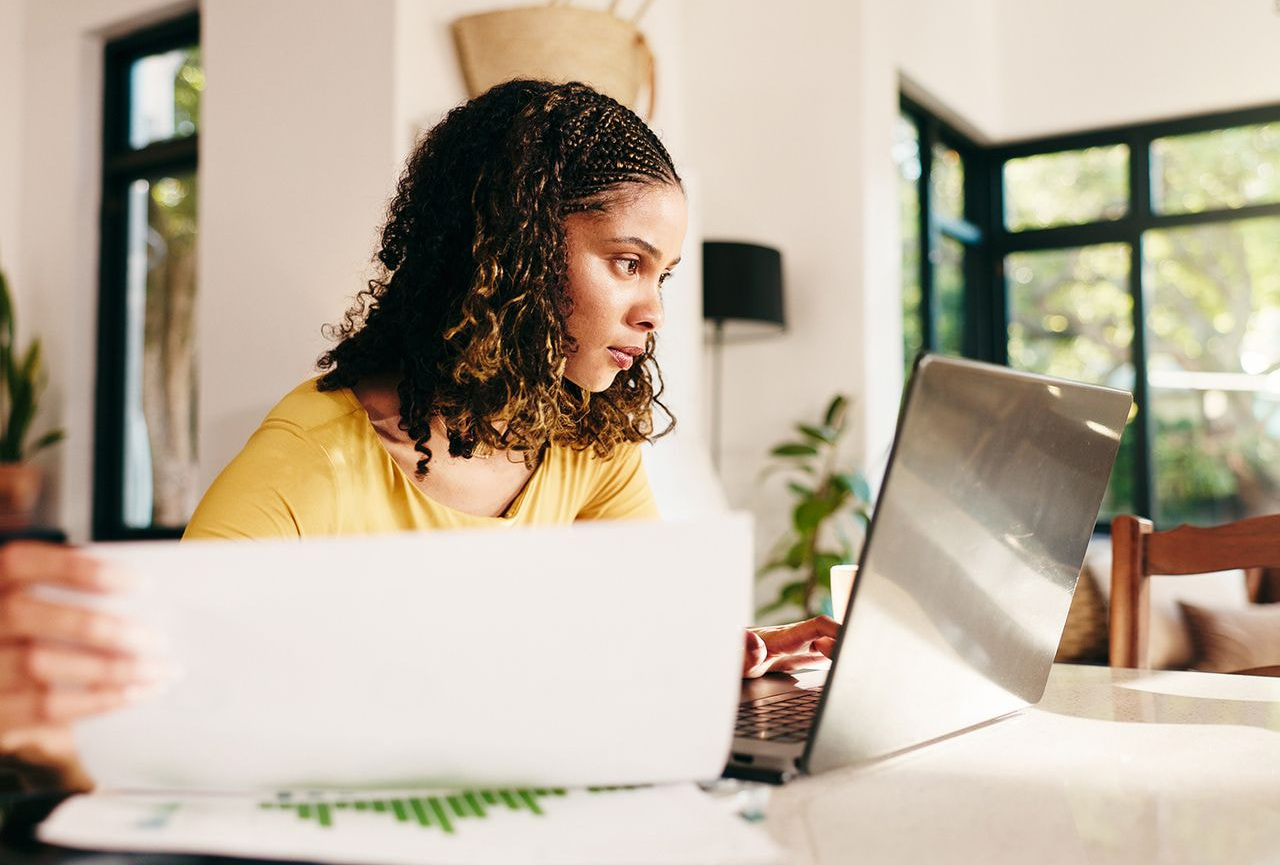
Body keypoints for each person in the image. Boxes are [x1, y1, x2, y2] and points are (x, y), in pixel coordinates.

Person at [0, 80, 835, 788]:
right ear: (514, 244)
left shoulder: (591, 441)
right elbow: (155, 724)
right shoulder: (309, 462)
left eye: (663, 275)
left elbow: (637, 637)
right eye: (627, 262)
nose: (653, 310)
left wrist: (735, 648)